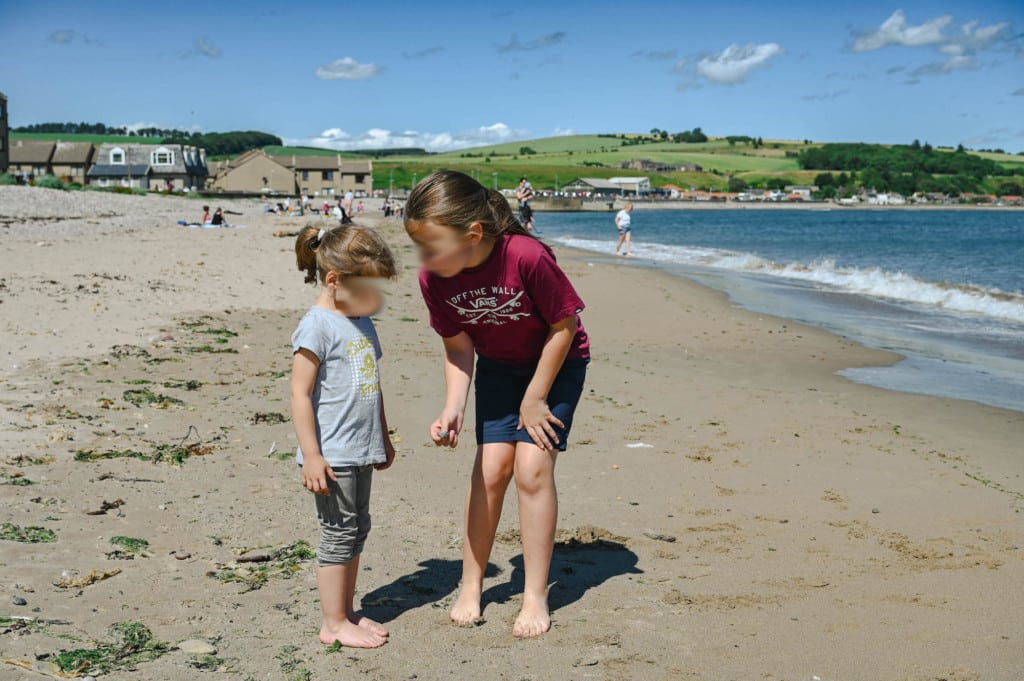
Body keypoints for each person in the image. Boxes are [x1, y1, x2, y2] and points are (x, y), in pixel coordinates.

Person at [403, 170, 590, 638]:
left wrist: (536, 397)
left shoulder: (525, 255)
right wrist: (453, 406)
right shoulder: (435, 280)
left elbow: (563, 327)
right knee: (489, 471)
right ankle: (471, 584)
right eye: (419, 247)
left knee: (531, 470)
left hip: (556, 363)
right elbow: (459, 347)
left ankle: (534, 594)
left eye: (432, 247)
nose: (424, 259)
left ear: (473, 235)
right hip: (501, 369)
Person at [290, 223, 399, 648]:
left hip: (361, 446)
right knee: (338, 532)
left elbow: (373, 382)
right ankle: (332, 622)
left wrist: (384, 437)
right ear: (334, 281)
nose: (376, 301)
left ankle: (348, 611)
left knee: (357, 528)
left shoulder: (361, 321)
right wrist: (311, 455)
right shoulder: (316, 326)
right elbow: (300, 394)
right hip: (332, 452)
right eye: (369, 290)